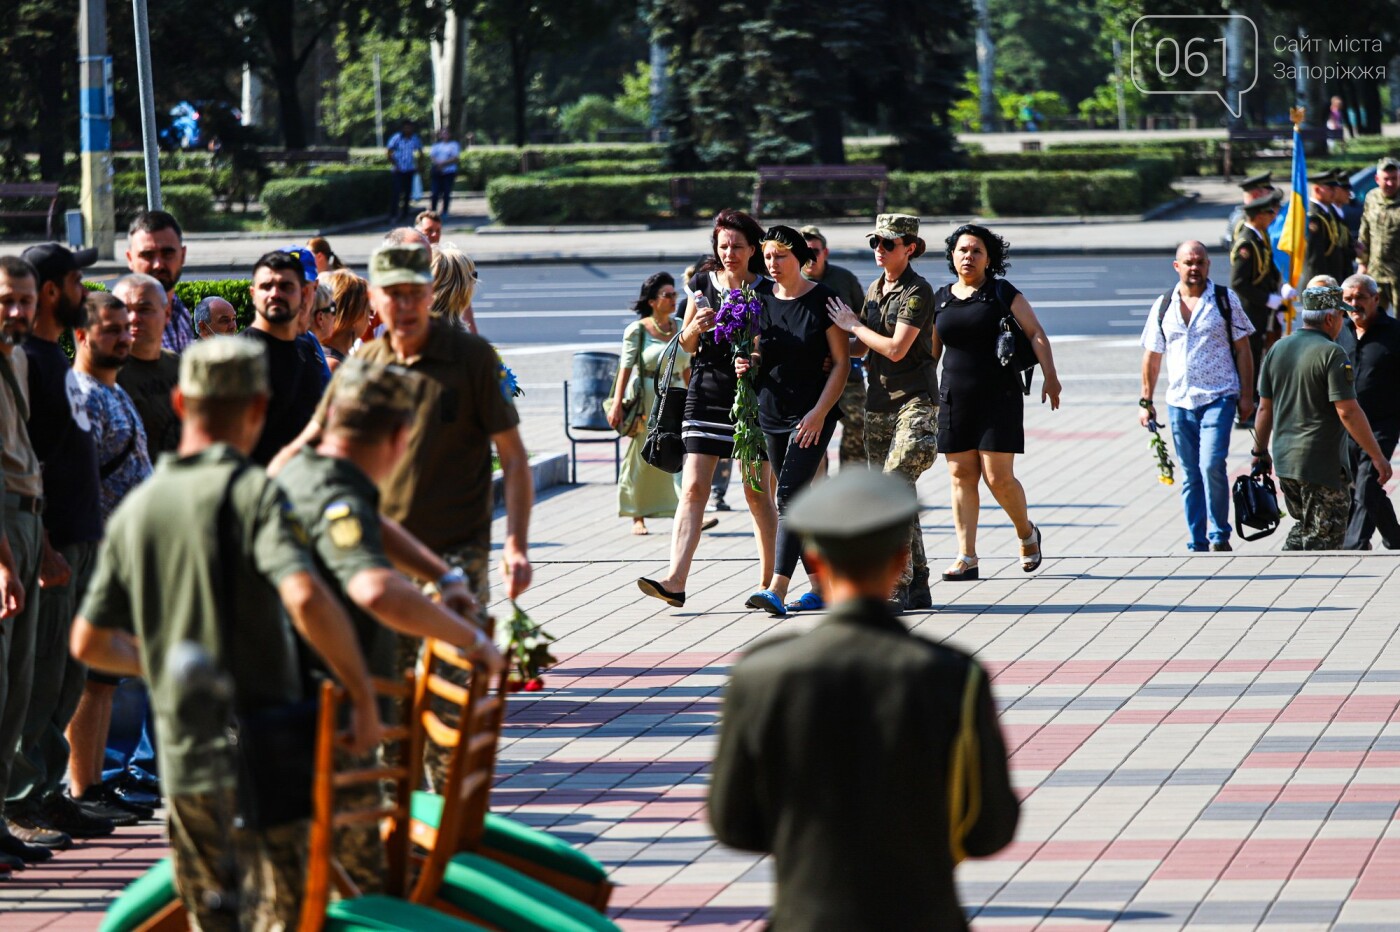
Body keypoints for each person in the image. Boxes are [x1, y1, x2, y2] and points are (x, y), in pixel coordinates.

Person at [71, 338, 382, 930]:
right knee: (282, 912)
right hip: (272, 744)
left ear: (182, 402)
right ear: (259, 407)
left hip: (188, 756)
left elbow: (89, 641)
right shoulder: (257, 493)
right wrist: (361, 693)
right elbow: (305, 594)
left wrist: (161, 663)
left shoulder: (142, 507)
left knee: (211, 914)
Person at [709, 467, 1018, 931]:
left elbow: (733, 822)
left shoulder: (761, 674)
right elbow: (988, 828)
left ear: (815, 556)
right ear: (899, 560)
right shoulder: (953, 675)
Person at [271, 244, 532, 786]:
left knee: (452, 688)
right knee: (390, 689)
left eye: (413, 293)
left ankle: (444, 810)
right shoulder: (364, 363)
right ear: (376, 301)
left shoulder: (472, 359)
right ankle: (398, 813)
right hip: (382, 549)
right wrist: (259, 495)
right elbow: (312, 440)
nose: (402, 306)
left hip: (454, 554)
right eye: (390, 295)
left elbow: (513, 455)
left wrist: (517, 545)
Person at [276, 357, 501, 890]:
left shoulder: (307, 466)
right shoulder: (336, 492)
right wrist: (470, 640)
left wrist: (442, 574)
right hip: (320, 718)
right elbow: (375, 588)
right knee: (357, 883)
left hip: (297, 708)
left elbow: (370, 521)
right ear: (400, 438)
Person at [9, 243, 112, 846]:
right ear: (53, 292)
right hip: (51, 545)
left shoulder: (51, 356)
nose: (83, 292)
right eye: (76, 280)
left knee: (67, 677)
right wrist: (44, 546)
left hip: (81, 537)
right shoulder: (26, 359)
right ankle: (25, 798)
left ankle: (48, 793)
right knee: (42, 675)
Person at [637, 210, 778, 610]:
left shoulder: (766, 290)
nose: (729, 253)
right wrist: (695, 326)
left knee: (755, 492)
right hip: (706, 391)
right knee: (696, 487)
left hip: (751, 397)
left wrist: (753, 357)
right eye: (723, 246)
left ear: (753, 248)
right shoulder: (701, 284)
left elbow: (771, 345)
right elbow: (685, 346)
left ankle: (769, 582)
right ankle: (675, 579)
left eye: (737, 246)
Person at [66, 293, 156, 828]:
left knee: (104, 681)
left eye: (126, 328)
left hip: (122, 555)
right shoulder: (84, 394)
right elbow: (83, 481)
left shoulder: (112, 390)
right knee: (89, 676)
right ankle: (80, 786)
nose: (124, 337)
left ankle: (94, 783)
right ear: (81, 335)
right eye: (111, 329)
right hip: (99, 552)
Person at [935, 224, 1061, 576]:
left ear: (989, 258)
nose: (968, 256)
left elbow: (1035, 333)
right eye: (962, 250)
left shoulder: (1001, 292)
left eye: (976, 251)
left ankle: (1026, 533)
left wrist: (1051, 376)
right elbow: (931, 354)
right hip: (954, 399)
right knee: (960, 474)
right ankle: (967, 556)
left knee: (998, 477)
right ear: (952, 256)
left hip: (998, 397)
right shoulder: (940, 297)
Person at [828, 214, 939, 607]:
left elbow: (895, 348)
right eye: (875, 242)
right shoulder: (875, 289)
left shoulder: (917, 291)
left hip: (915, 400)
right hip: (878, 403)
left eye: (888, 244)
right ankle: (919, 579)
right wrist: (836, 340)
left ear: (910, 248)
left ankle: (896, 584)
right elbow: (863, 348)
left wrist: (854, 326)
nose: (879, 249)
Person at [739, 226, 848, 618]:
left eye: (780, 256)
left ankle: (777, 589)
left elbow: (840, 363)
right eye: (767, 257)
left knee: (787, 499)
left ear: (799, 257)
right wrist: (746, 363)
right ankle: (822, 588)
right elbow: (757, 351)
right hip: (771, 411)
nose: (772, 263)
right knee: (796, 501)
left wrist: (819, 413)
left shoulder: (823, 300)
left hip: (811, 416)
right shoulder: (759, 297)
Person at [1254, 285, 1393, 550]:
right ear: (1330, 318)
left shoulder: (1277, 348)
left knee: (1305, 527)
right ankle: (1302, 585)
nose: (1343, 321)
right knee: (1324, 543)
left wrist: (1259, 451)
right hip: (1322, 465)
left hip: (1286, 462)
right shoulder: (1332, 353)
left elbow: (1264, 409)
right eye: (1341, 315)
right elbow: (1348, 411)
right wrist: (1376, 456)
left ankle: (1288, 569)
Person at [1140, 241, 1254, 551]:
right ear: (1177, 266)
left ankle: (1219, 534)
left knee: (1211, 464)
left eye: (1200, 262)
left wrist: (1247, 396)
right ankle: (1197, 540)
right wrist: (1146, 401)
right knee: (1190, 474)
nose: (1195, 268)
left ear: (1208, 265)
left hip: (1219, 396)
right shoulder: (1164, 304)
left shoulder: (1223, 299)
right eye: (1188, 262)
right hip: (1179, 401)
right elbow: (1152, 356)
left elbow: (1243, 350)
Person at [0, 255, 53, 867]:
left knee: (18, 682)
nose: (17, 311)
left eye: (25, 299)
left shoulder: (17, 355)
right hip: (5, 526)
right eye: (6, 299)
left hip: (29, 516)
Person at [607, 273, 691, 536]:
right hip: (647, 397)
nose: (674, 299)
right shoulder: (638, 330)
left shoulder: (680, 326)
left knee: (681, 453)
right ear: (653, 301)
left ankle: (686, 512)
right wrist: (617, 404)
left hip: (677, 395)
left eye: (674, 294)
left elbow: (687, 365)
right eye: (668, 295)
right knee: (643, 455)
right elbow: (625, 368)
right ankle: (637, 514)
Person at [241, 250, 331, 465]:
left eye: (286, 287)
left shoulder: (308, 350)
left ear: (306, 293)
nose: (275, 294)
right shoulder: (238, 356)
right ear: (253, 294)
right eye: (266, 286)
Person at [1336, 274, 1400, 550]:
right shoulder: (1339, 333)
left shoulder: (1395, 334)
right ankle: (1395, 537)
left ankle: (1354, 544)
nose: (1354, 304)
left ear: (1375, 299)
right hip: (1347, 424)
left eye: (1360, 298)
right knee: (1362, 485)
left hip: (1383, 423)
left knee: (1366, 482)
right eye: (1348, 299)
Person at [802, 224, 868, 465]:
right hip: (811, 374)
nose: (811, 257)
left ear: (825, 252)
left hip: (848, 369)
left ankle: (849, 488)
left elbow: (863, 318)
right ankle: (819, 488)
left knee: (859, 424)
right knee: (811, 433)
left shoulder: (844, 279)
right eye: (805, 251)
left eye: (815, 251)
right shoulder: (795, 282)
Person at [1229, 193, 1294, 418]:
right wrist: (1266, 299)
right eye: (1269, 212)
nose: (1273, 216)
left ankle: (1253, 403)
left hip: (1261, 310)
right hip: (1249, 310)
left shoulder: (1260, 236)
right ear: (1258, 216)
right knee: (1250, 358)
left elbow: (1268, 267)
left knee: (1257, 356)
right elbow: (1238, 283)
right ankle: (1243, 408)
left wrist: (1281, 286)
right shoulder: (1246, 243)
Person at [115, 274, 182, 458]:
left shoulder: (179, 366)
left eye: (144, 309)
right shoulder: (107, 374)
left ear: (167, 314)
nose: (133, 318)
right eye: (124, 310)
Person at [125, 210, 195, 354]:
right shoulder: (121, 325)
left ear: (182, 256)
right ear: (130, 259)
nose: (158, 264)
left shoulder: (180, 312)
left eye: (167, 254)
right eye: (147, 255)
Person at [1358, 157, 1400, 313]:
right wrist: (1362, 263)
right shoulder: (1372, 198)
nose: (1390, 183)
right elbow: (1365, 231)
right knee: (1373, 318)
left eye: (1394, 179)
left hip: (1398, 273)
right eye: (1386, 179)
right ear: (1377, 179)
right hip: (1376, 271)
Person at [1301, 169, 1353, 286]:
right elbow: (1315, 258)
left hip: (1332, 279)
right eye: (1330, 188)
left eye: (1335, 188)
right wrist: (1321, 288)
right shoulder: (1314, 217)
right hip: (1320, 284)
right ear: (1317, 189)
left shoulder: (1326, 214)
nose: (1334, 192)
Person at [320, 270, 371, 368]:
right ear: (356, 316)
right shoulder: (333, 365)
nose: (369, 318)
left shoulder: (324, 355)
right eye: (368, 310)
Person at [430, 244, 480, 334]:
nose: (474, 282)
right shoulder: (458, 341)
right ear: (461, 287)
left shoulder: (415, 326)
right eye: (473, 276)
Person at [386, 120, 422, 220]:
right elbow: (389, 152)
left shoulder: (414, 139)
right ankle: (393, 214)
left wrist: (418, 165)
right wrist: (395, 164)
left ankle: (405, 213)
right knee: (396, 193)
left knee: (407, 193)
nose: (408, 129)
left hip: (409, 169)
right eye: (406, 127)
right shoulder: (396, 138)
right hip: (398, 170)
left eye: (410, 127)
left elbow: (420, 152)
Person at [429, 127, 461, 216]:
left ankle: (445, 211)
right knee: (435, 192)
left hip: (449, 172)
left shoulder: (454, 145)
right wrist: (438, 165)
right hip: (437, 172)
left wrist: (443, 164)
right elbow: (432, 157)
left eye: (447, 133)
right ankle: (433, 211)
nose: (445, 135)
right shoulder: (436, 146)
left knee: (446, 192)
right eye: (443, 133)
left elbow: (455, 158)